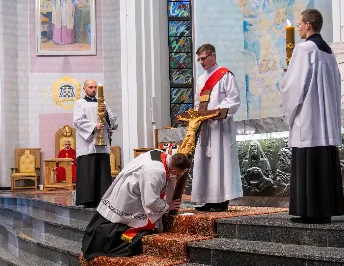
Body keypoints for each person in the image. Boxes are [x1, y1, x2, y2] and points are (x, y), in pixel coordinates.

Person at [280, 9, 344, 224]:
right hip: (325, 120)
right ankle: (323, 211)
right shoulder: (328, 52)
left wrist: (288, 108)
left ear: (308, 25)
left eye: (300, 24)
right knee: (323, 163)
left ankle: (309, 212)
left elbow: (294, 86)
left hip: (308, 117)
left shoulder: (305, 49)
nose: (298, 27)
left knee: (308, 162)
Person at [81, 150, 191, 261]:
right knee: (126, 223)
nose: (178, 176)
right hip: (129, 196)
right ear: (174, 170)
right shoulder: (156, 171)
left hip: (128, 186)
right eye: (179, 174)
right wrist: (168, 206)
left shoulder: (159, 153)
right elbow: (150, 201)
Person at [192, 44, 243, 212]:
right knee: (206, 163)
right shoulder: (201, 80)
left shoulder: (225, 75)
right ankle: (208, 198)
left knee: (220, 162)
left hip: (220, 127)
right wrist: (198, 113)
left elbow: (233, 99)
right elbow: (199, 102)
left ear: (213, 55)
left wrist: (217, 112)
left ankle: (221, 200)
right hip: (206, 127)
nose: (201, 62)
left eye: (204, 58)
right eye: (199, 59)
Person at [74, 79, 117, 208]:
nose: (93, 89)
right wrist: (94, 126)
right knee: (88, 170)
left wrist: (106, 115)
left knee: (102, 171)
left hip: (102, 144)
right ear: (84, 89)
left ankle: (103, 198)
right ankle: (87, 199)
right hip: (87, 144)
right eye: (90, 87)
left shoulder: (103, 103)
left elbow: (113, 122)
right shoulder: (79, 104)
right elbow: (78, 121)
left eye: (94, 87)